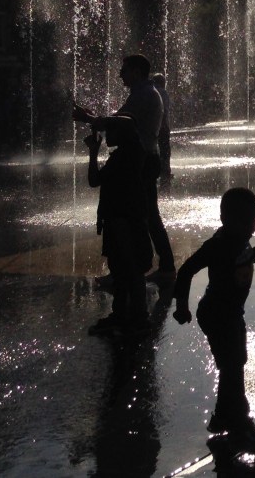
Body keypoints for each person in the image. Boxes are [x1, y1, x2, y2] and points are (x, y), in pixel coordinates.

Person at [173, 187, 255, 453]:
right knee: (233, 366)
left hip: (230, 313)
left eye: (254, 222)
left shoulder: (239, 240)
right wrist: (181, 307)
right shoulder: (218, 245)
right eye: (246, 222)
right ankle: (241, 425)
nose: (251, 228)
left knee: (233, 364)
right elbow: (185, 271)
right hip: (218, 314)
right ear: (225, 220)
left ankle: (223, 416)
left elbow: (244, 257)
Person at [75, 54, 175, 279]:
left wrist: (89, 118)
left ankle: (133, 268)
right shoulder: (145, 93)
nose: (120, 74)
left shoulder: (143, 95)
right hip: (145, 158)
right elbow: (118, 120)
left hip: (141, 160)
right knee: (147, 214)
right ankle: (160, 266)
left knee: (136, 214)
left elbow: (120, 123)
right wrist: (93, 117)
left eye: (125, 70)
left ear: (137, 72)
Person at [84, 115, 152, 336]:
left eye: (109, 132)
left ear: (120, 134)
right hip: (130, 216)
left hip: (121, 219)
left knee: (126, 267)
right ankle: (130, 316)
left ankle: (132, 318)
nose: (106, 136)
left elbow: (94, 180)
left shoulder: (121, 157)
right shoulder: (135, 151)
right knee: (126, 267)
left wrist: (93, 152)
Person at [152, 72, 173, 179]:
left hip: (152, 126)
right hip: (162, 126)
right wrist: (164, 124)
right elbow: (163, 110)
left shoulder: (152, 91)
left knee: (154, 148)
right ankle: (165, 170)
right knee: (165, 149)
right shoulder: (162, 92)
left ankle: (156, 170)